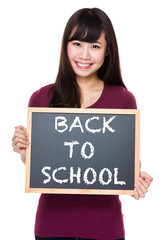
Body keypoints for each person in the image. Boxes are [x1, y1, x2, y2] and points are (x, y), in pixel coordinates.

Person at [12, 8, 153, 240]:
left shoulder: (123, 99)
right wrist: (24, 151)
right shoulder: (41, 99)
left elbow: (125, 158)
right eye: (77, 43)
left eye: (95, 46)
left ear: (107, 52)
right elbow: (38, 166)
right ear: (66, 45)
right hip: (52, 226)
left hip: (105, 228)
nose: (85, 55)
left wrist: (135, 177)